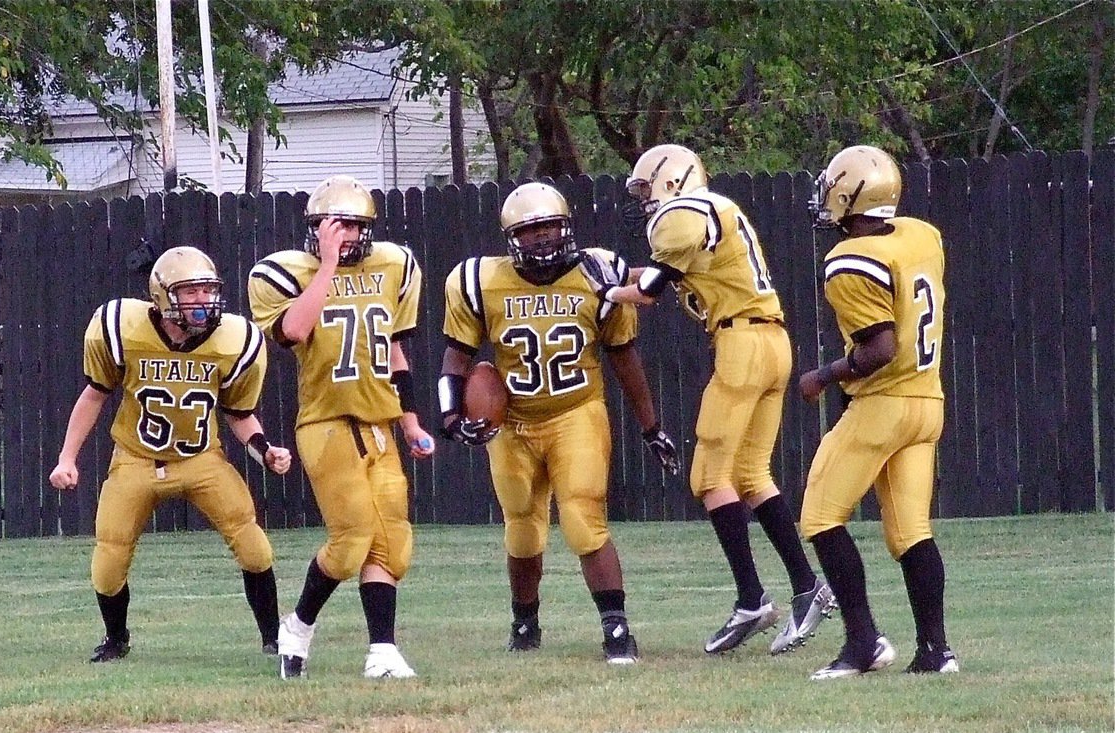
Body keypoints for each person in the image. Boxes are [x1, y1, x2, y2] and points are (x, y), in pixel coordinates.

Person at [599, 143, 835, 657]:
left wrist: (603, 294)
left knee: (708, 478)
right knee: (751, 474)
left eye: (646, 189)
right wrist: (614, 277)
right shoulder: (713, 210)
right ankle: (807, 586)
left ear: (671, 180)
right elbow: (661, 276)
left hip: (741, 346)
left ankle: (753, 598)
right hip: (771, 340)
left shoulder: (682, 213)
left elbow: (650, 292)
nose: (644, 201)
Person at [438, 182, 679, 664]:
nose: (544, 239)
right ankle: (524, 622)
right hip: (514, 425)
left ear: (566, 227)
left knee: (582, 520)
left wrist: (651, 426)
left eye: (550, 227)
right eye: (531, 232)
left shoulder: (599, 272)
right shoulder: (479, 281)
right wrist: (450, 416)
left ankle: (617, 630)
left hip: (576, 413)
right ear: (511, 238)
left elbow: (624, 358)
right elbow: (457, 360)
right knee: (522, 527)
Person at [49, 246, 292, 663]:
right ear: (163, 296)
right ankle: (116, 639)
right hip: (136, 458)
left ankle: (274, 638)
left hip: (201, 460)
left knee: (254, 548)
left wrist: (264, 449)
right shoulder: (121, 328)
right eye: (191, 292)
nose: (203, 301)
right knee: (109, 558)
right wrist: (67, 458)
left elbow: (239, 413)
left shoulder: (234, 340)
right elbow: (94, 395)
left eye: (207, 290)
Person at [248, 175, 435, 680]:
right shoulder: (286, 272)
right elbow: (294, 330)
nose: (346, 233)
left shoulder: (394, 265)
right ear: (314, 228)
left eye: (354, 225)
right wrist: (328, 265)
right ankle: (299, 625)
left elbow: (395, 349)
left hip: (379, 422)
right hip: (325, 421)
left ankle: (382, 651)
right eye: (334, 225)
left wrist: (412, 421)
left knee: (391, 543)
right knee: (351, 538)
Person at [799, 144, 957, 680]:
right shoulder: (922, 234)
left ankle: (863, 641)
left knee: (820, 517)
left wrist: (823, 376)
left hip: (885, 404)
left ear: (850, 193)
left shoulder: (848, 261)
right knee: (911, 530)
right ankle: (936, 651)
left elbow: (880, 349)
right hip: (928, 403)